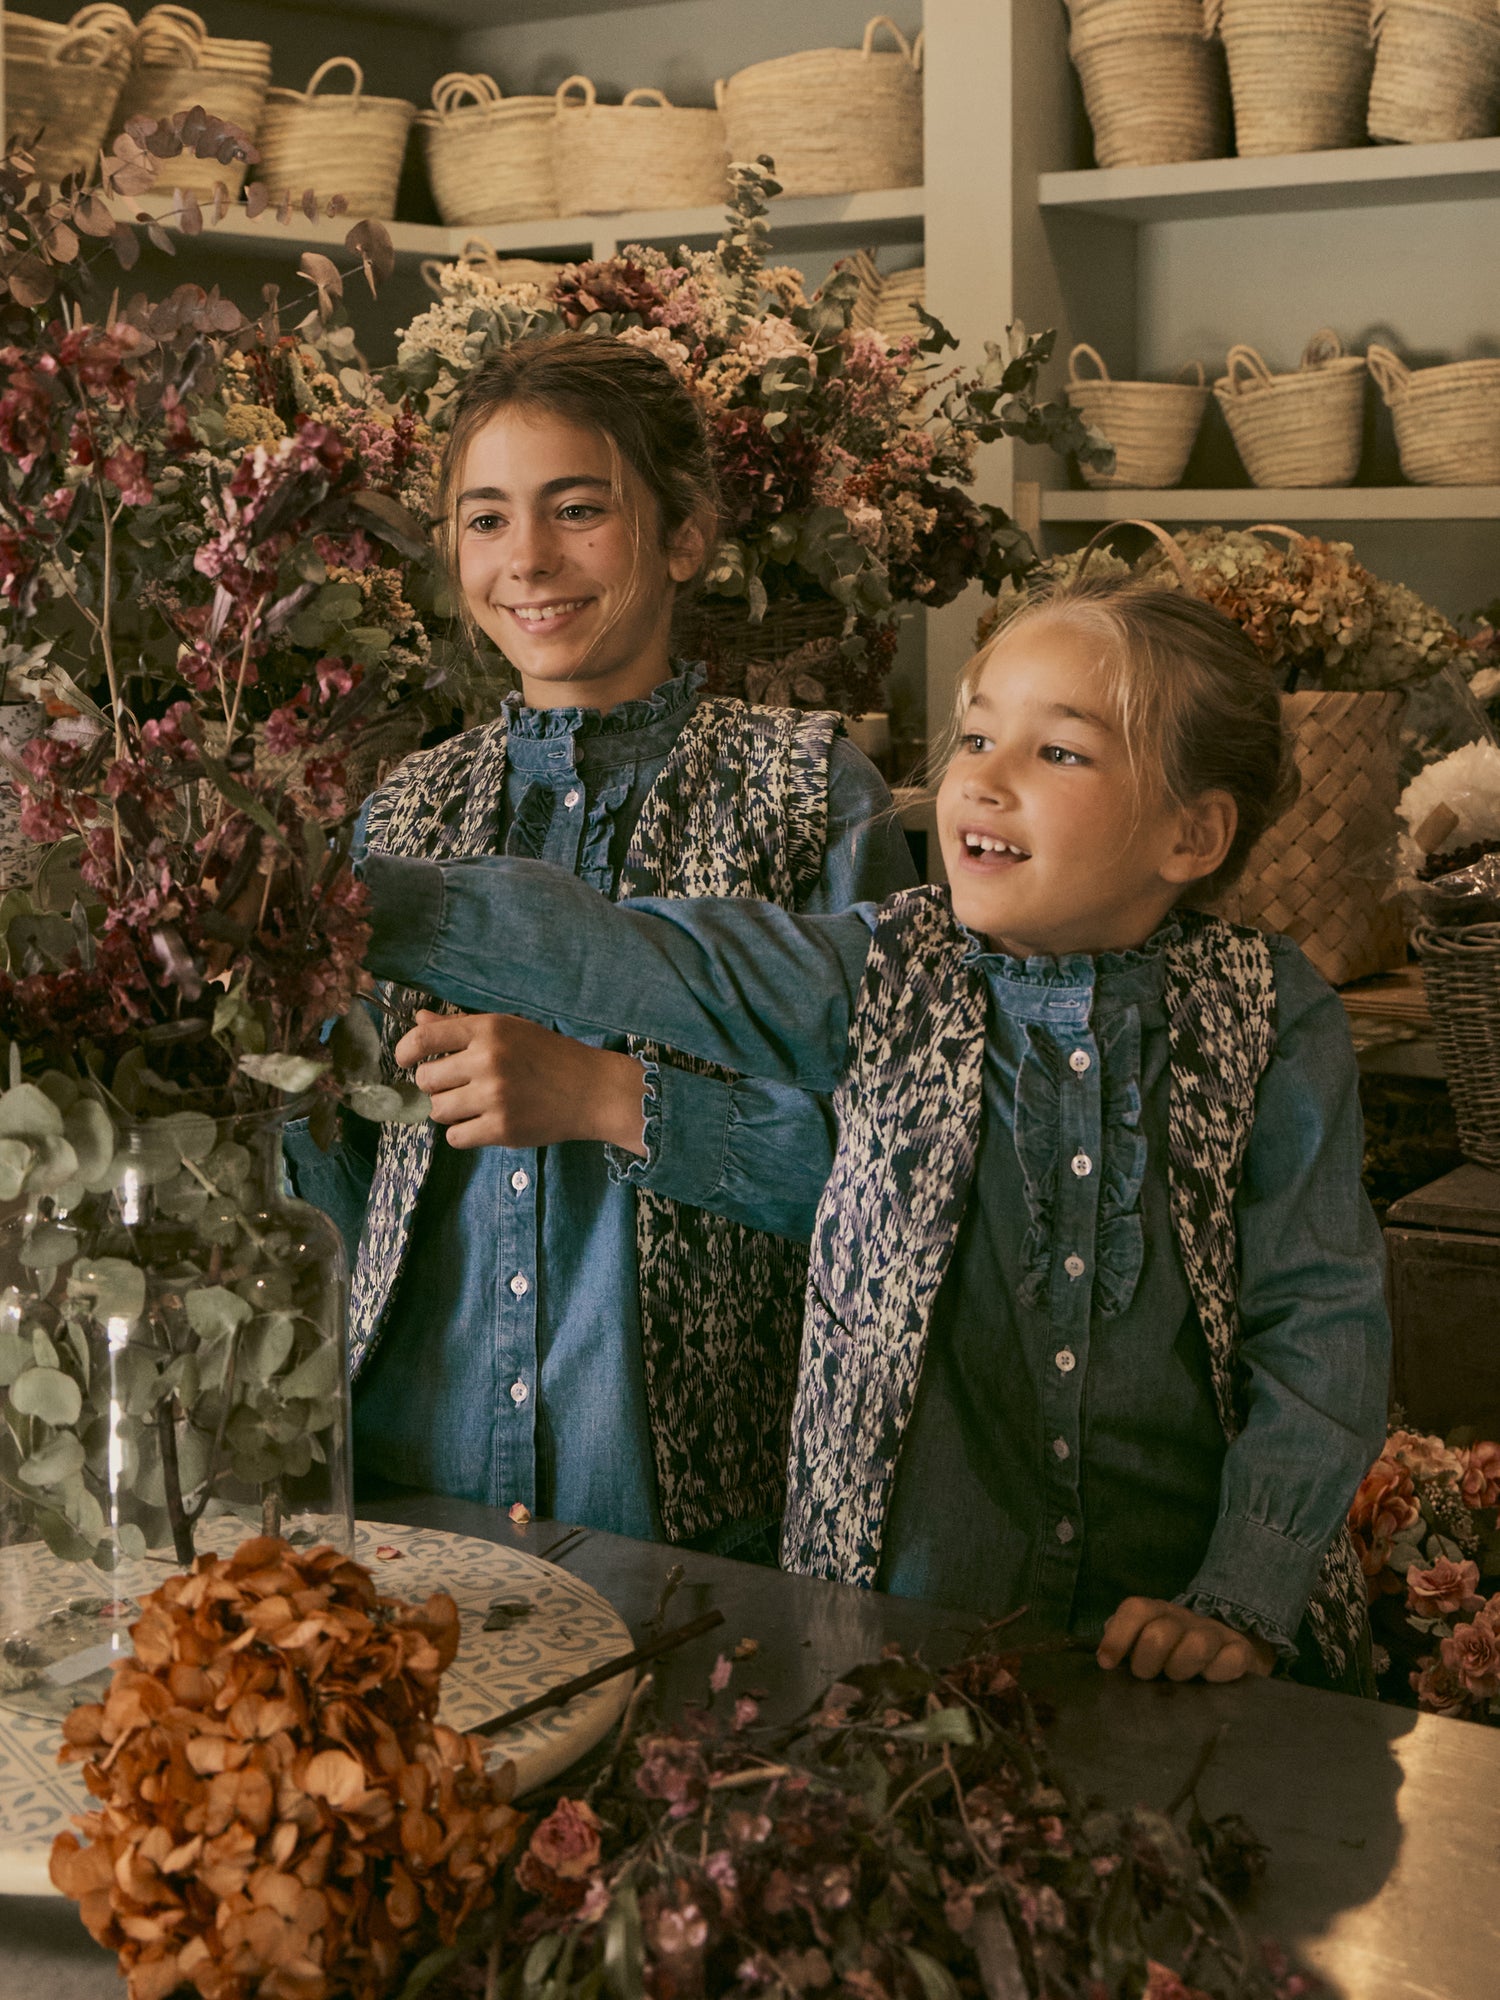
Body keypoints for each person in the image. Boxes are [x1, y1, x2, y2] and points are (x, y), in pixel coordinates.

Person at [357, 574, 1391, 1690]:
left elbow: (1321, 1326)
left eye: (1060, 753)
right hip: (908, 1636)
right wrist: (346, 898)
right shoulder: (884, 969)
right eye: (979, 733)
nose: (980, 779)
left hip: (1198, 1641)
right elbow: (628, 955)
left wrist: (1239, 1593)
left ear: (1194, 833)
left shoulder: (1275, 1015)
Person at [287, 330, 915, 1558]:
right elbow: (339, 1184)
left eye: (578, 509)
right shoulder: (398, 813)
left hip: (695, 1510)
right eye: (485, 519)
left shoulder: (811, 794)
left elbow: (906, 1190)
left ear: (684, 536)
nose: (526, 558)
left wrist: (617, 1098)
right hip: (417, 1472)